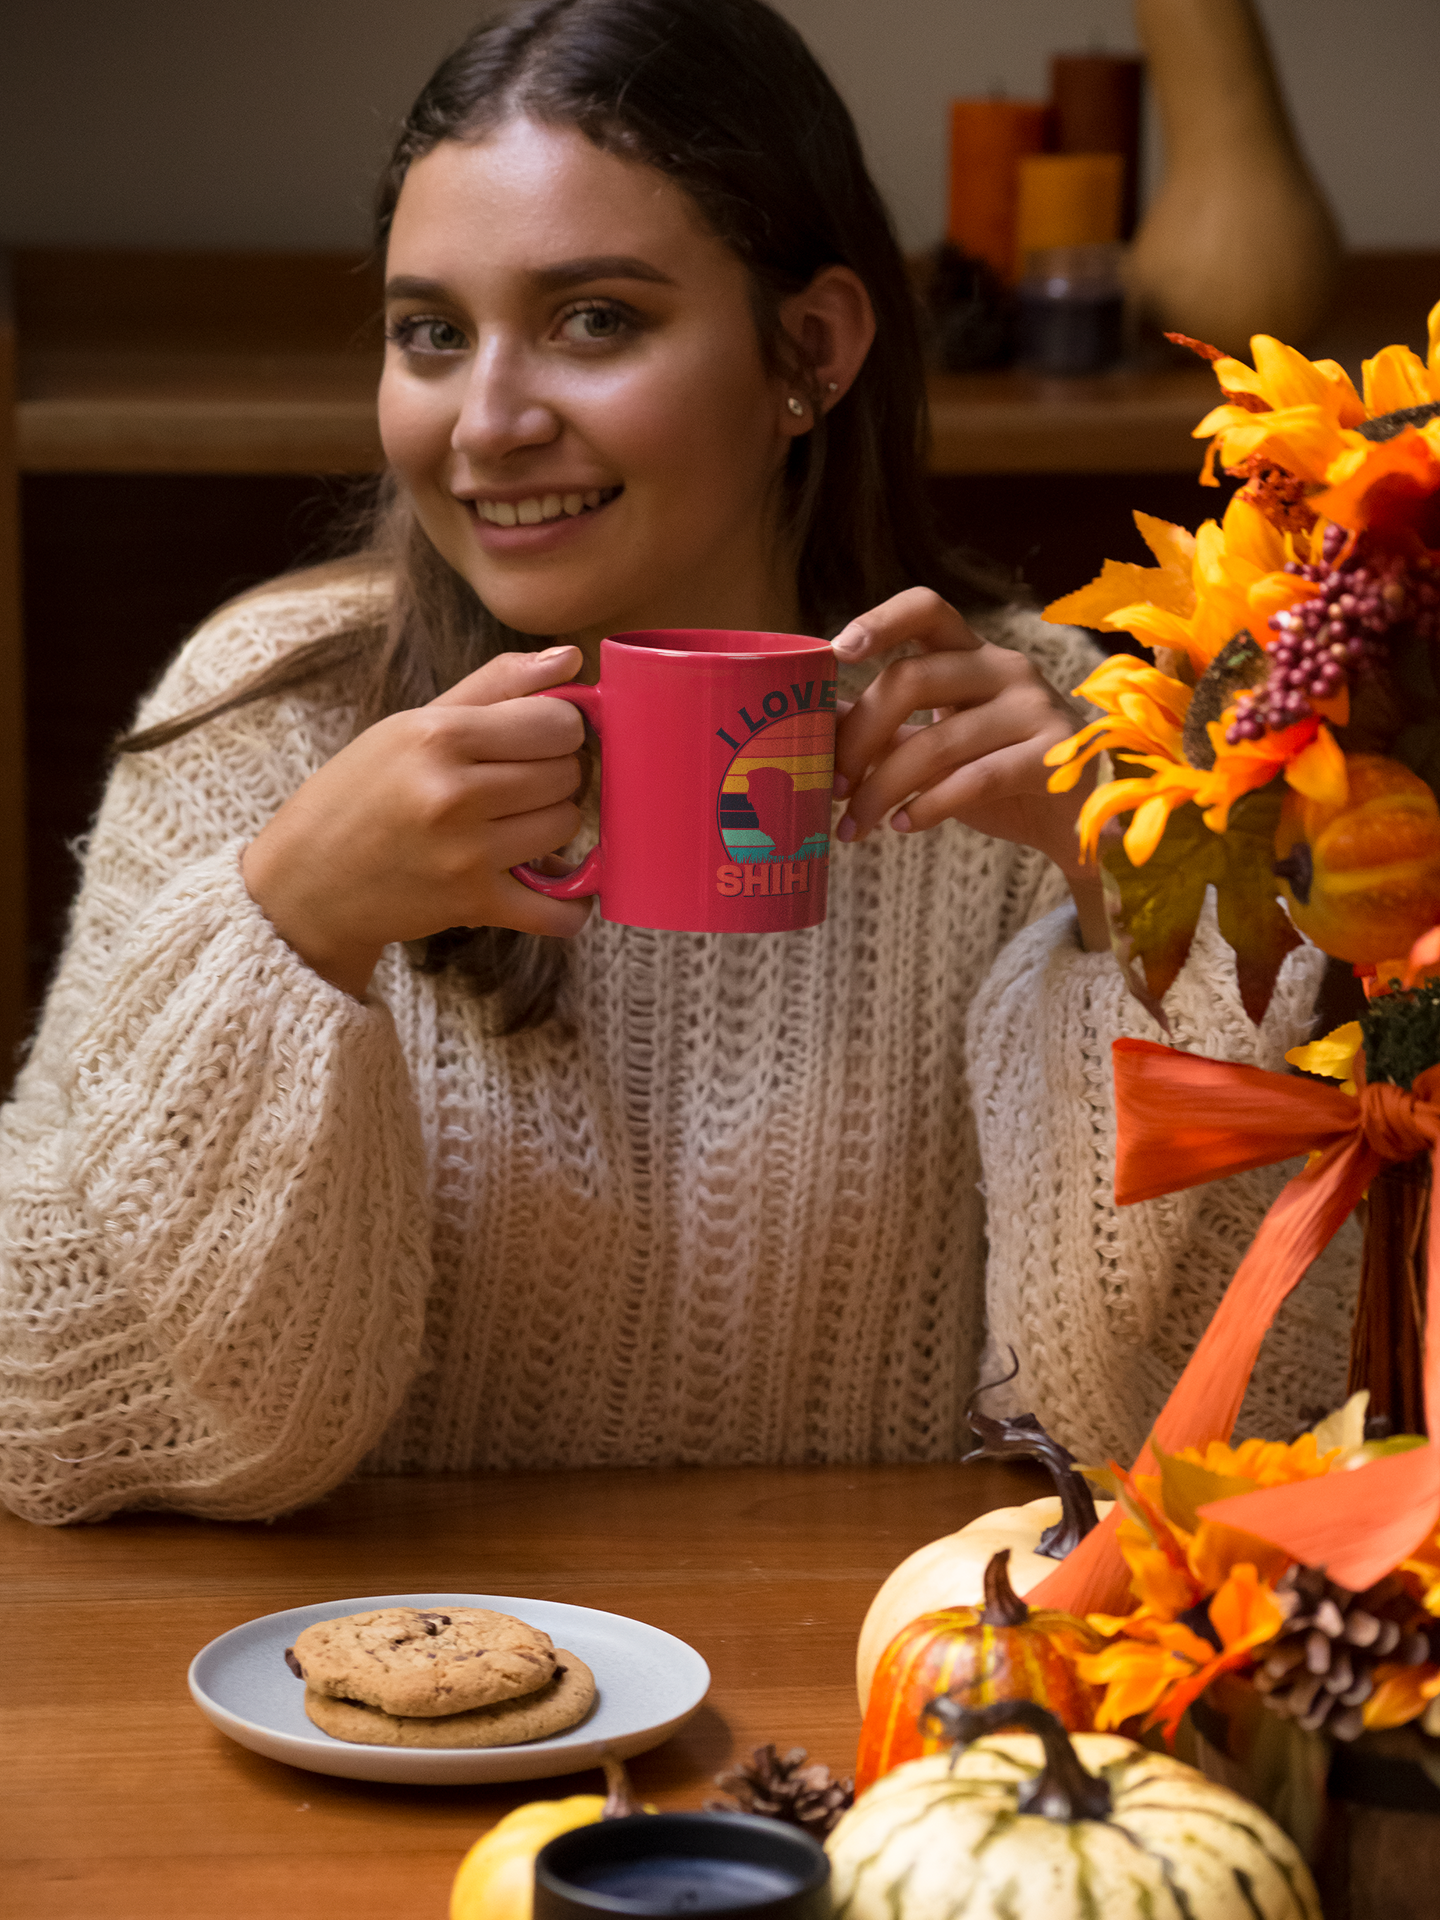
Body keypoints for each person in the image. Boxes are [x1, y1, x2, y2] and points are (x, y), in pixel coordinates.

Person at [0, 0, 1356, 1526]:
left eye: (595, 320)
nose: (489, 423)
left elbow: (1204, 1448)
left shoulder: (1065, 745)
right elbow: (58, 1418)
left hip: (867, 1709)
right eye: (432, 332)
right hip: (361, 1707)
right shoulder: (264, 727)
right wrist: (292, 926)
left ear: (812, 348)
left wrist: (1138, 907)